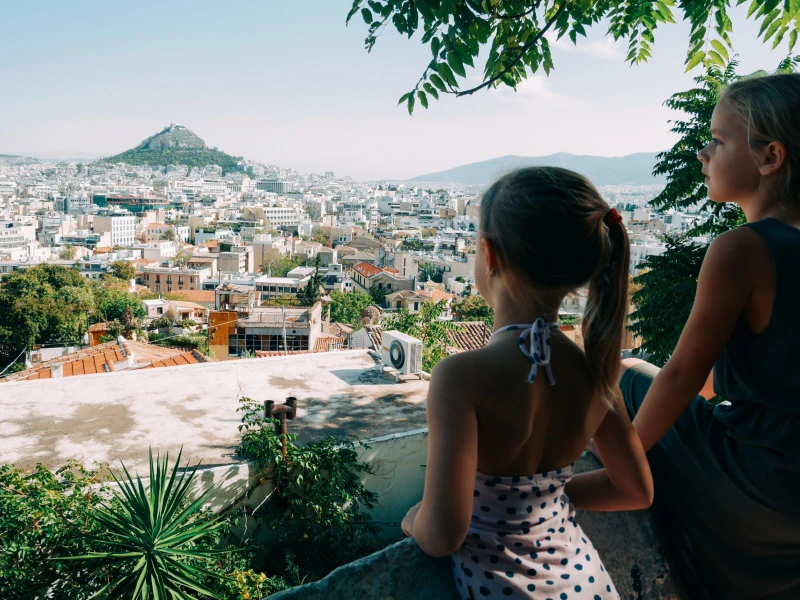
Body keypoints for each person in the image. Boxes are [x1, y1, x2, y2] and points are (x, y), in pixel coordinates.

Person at [401, 166, 653, 599]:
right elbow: (635, 490)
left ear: (490, 254)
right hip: (586, 581)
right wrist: (548, 495)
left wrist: (412, 519)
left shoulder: (459, 377)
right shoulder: (595, 371)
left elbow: (442, 535)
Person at [606, 73, 800, 599]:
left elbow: (681, 375)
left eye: (716, 141)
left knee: (622, 378)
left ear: (770, 157)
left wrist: (624, 466)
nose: (701, 154)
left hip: (763, 481)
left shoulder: (742, 248)